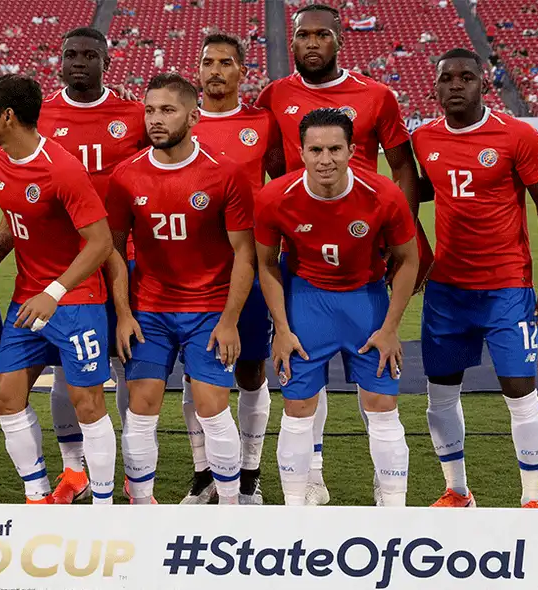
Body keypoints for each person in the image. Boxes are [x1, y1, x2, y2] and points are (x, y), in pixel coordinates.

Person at [255, 4, 425, 505]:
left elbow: (404, 185)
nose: (325, 158)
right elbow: (266, 260)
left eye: (321, 34)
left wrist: (391, 322)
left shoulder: (384, 187)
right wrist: (282, 327)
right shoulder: (276, 186)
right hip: (305, 284)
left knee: (380, 401)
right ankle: (298, 503)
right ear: (302, 151)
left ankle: (392, 509)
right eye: (301, 35)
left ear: (352, 149)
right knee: (300, 399)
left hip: (366, 282)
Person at [412, 48, 538, 508]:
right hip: (447, 289)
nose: (456, 85)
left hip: (506, 287)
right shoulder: (423, 138)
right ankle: (457, 492)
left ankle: (532, 500)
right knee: (439, 393)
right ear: (434, 87)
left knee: (519, 390)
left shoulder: (516, 135)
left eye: (466, 78)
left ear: (484, 83)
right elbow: (417, 191)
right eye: (446, 79)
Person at [0, 74, 117, 504]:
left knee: (87, 403)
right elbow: (13, 221)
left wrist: (53, 291)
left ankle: (104, 506)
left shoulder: (61, 168)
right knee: (8, 398)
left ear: (7, 116)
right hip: (28, 298)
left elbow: (101, 242)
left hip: (75, 300)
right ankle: (37, 497)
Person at [107, 73, 256, 506]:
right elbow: (114, 251)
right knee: (141, 408)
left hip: (209, 309)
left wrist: (229, 320)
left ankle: (230, 506)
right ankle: (142, 506)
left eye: (167, 110)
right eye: (150, 109)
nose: (155, 119)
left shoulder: (224, 175)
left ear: (193, 116)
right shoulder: (125, 176)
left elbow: (244, 254)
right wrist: (123, 313)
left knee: (212, 407)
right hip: (149, 310)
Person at [33, 26, 147, 504]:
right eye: (70, 54)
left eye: (89, 55)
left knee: (128, 363)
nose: (78, 62)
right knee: (66, 369)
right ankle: (74, 470)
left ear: (106, 60)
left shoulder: (135, 115)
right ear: (60, 60)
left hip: (124, 257)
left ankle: (132, 471)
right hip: (64, 265)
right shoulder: (40, 114)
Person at [178, 32, 283, 505]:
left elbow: (282, 187)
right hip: (189, 268)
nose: (215, 70)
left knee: (250, 371)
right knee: (193, 373)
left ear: (243, 71)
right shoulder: (182, 121)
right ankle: (203, 474)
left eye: (225, 62)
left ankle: (249, 471)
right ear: (196, 71)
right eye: (207, 62)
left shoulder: (264, 123)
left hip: (252, 264)